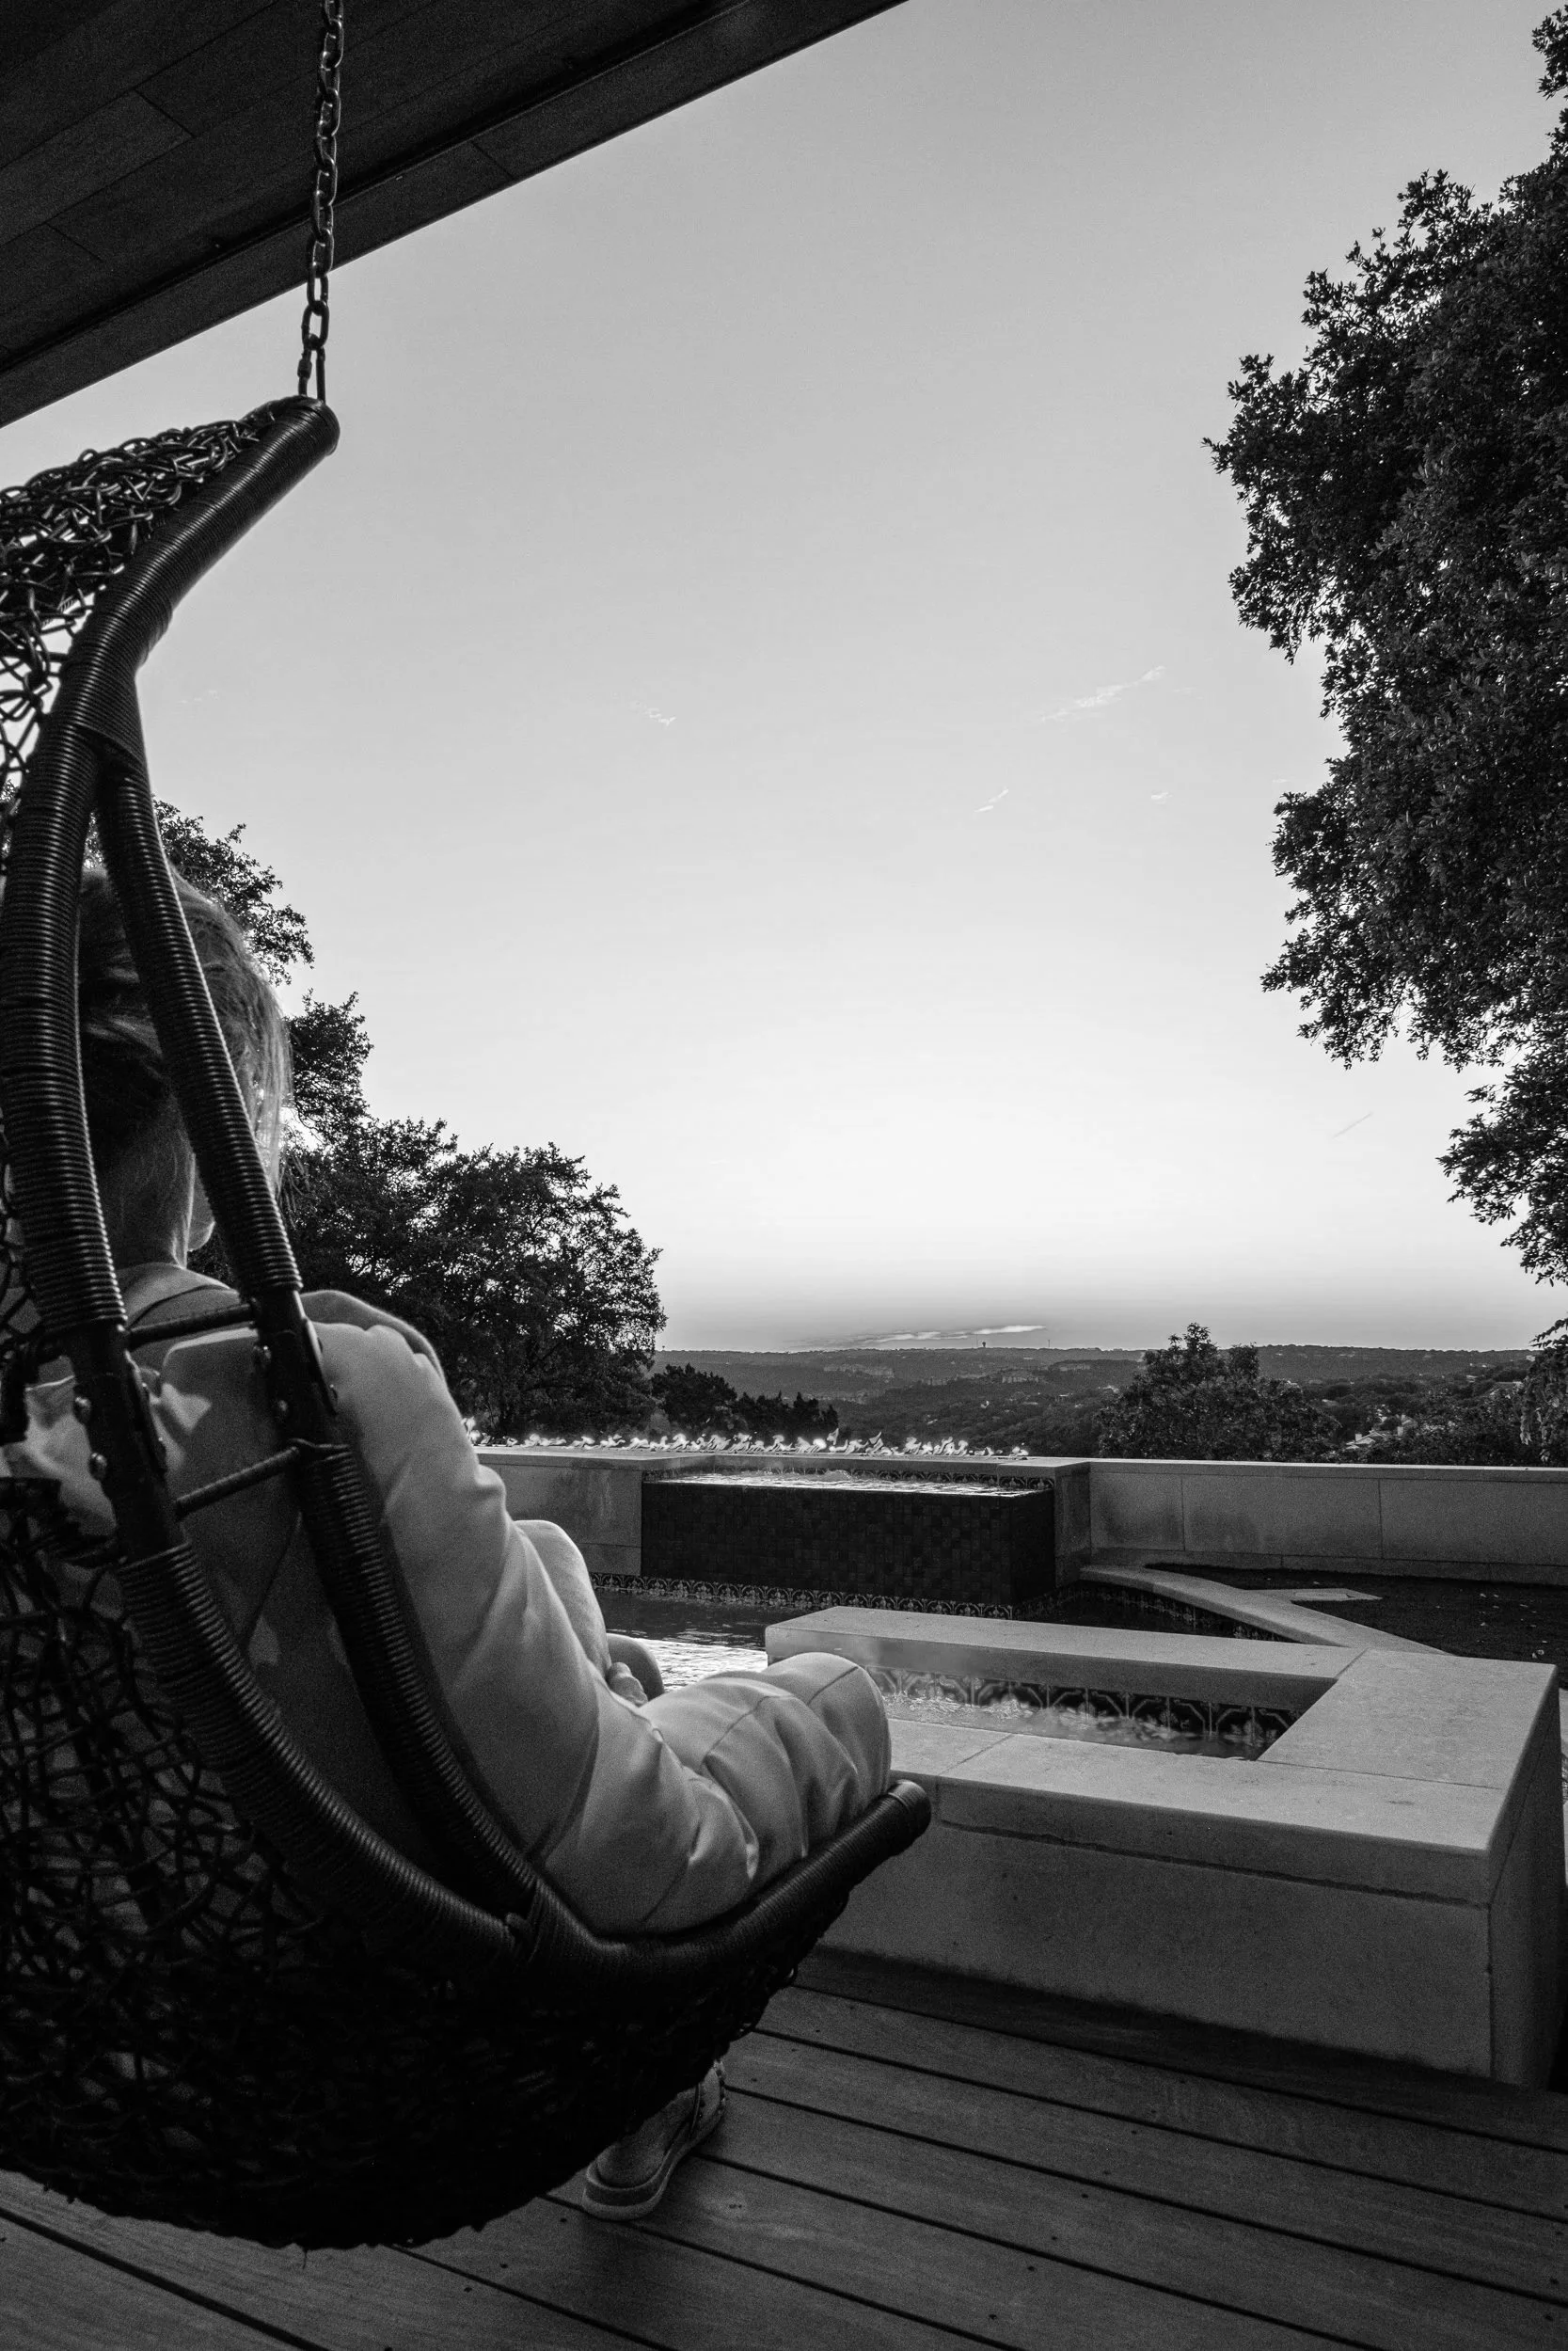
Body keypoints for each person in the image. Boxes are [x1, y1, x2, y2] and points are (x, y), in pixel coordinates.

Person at [8, 866, 891, 2221]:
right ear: (207, 1128)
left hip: (103, 2011)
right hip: (365, 1996)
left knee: (545, 1568)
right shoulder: (315, 1408)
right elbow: (601, 1858)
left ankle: (616, 1692)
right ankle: (657, 2073)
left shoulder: (42, 1436)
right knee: (830, 1694)